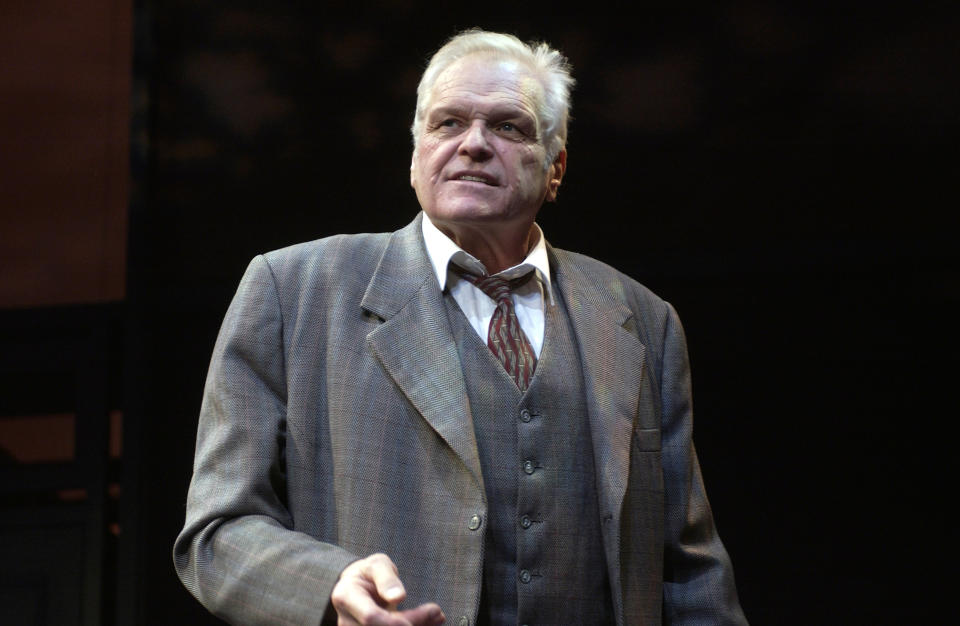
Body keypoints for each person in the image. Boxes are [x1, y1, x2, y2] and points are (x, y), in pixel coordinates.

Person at [174, 29, 747, 626]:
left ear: (556, 169)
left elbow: (689, 572)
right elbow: (217, 533)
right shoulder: (294, 290)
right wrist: (329, 584)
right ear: (416, 153)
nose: (473, 144)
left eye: (508, 127)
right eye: (448, 123)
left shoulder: (642, 321)